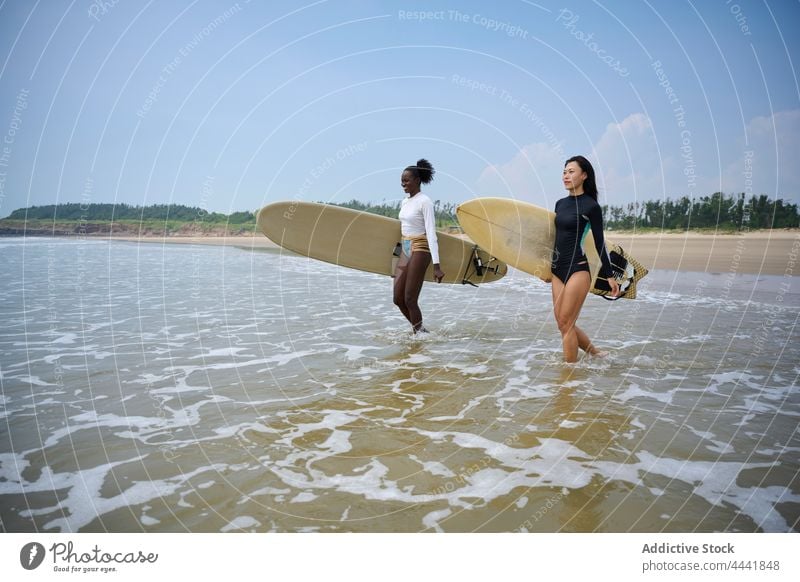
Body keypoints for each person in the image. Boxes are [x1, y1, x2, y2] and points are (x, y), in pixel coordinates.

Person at [550, 155, 619, 362]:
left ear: (584, 175)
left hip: (578, 268)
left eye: (571, 172)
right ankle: (595, 353)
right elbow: (554, 239)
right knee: (563, 324)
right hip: (557, 269)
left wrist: (610, 276)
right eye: (564, 172)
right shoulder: (560, 204)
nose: (566, 176)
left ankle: (569, 375)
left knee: (567, 323)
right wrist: (545, 268)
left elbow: (599, 243)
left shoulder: (591, 206)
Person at [394, 159, 445, 333]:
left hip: (421, 247)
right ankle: (422, 331)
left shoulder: (425, 201)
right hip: (406, 247)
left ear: (417, 180)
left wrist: (437, 266)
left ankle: (419, 337)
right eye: (402, 180)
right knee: (397, 298)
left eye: (406, 180)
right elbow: (403, 229)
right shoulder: (405, 202)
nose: (403, 183)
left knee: (409, 299)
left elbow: (431, 232)